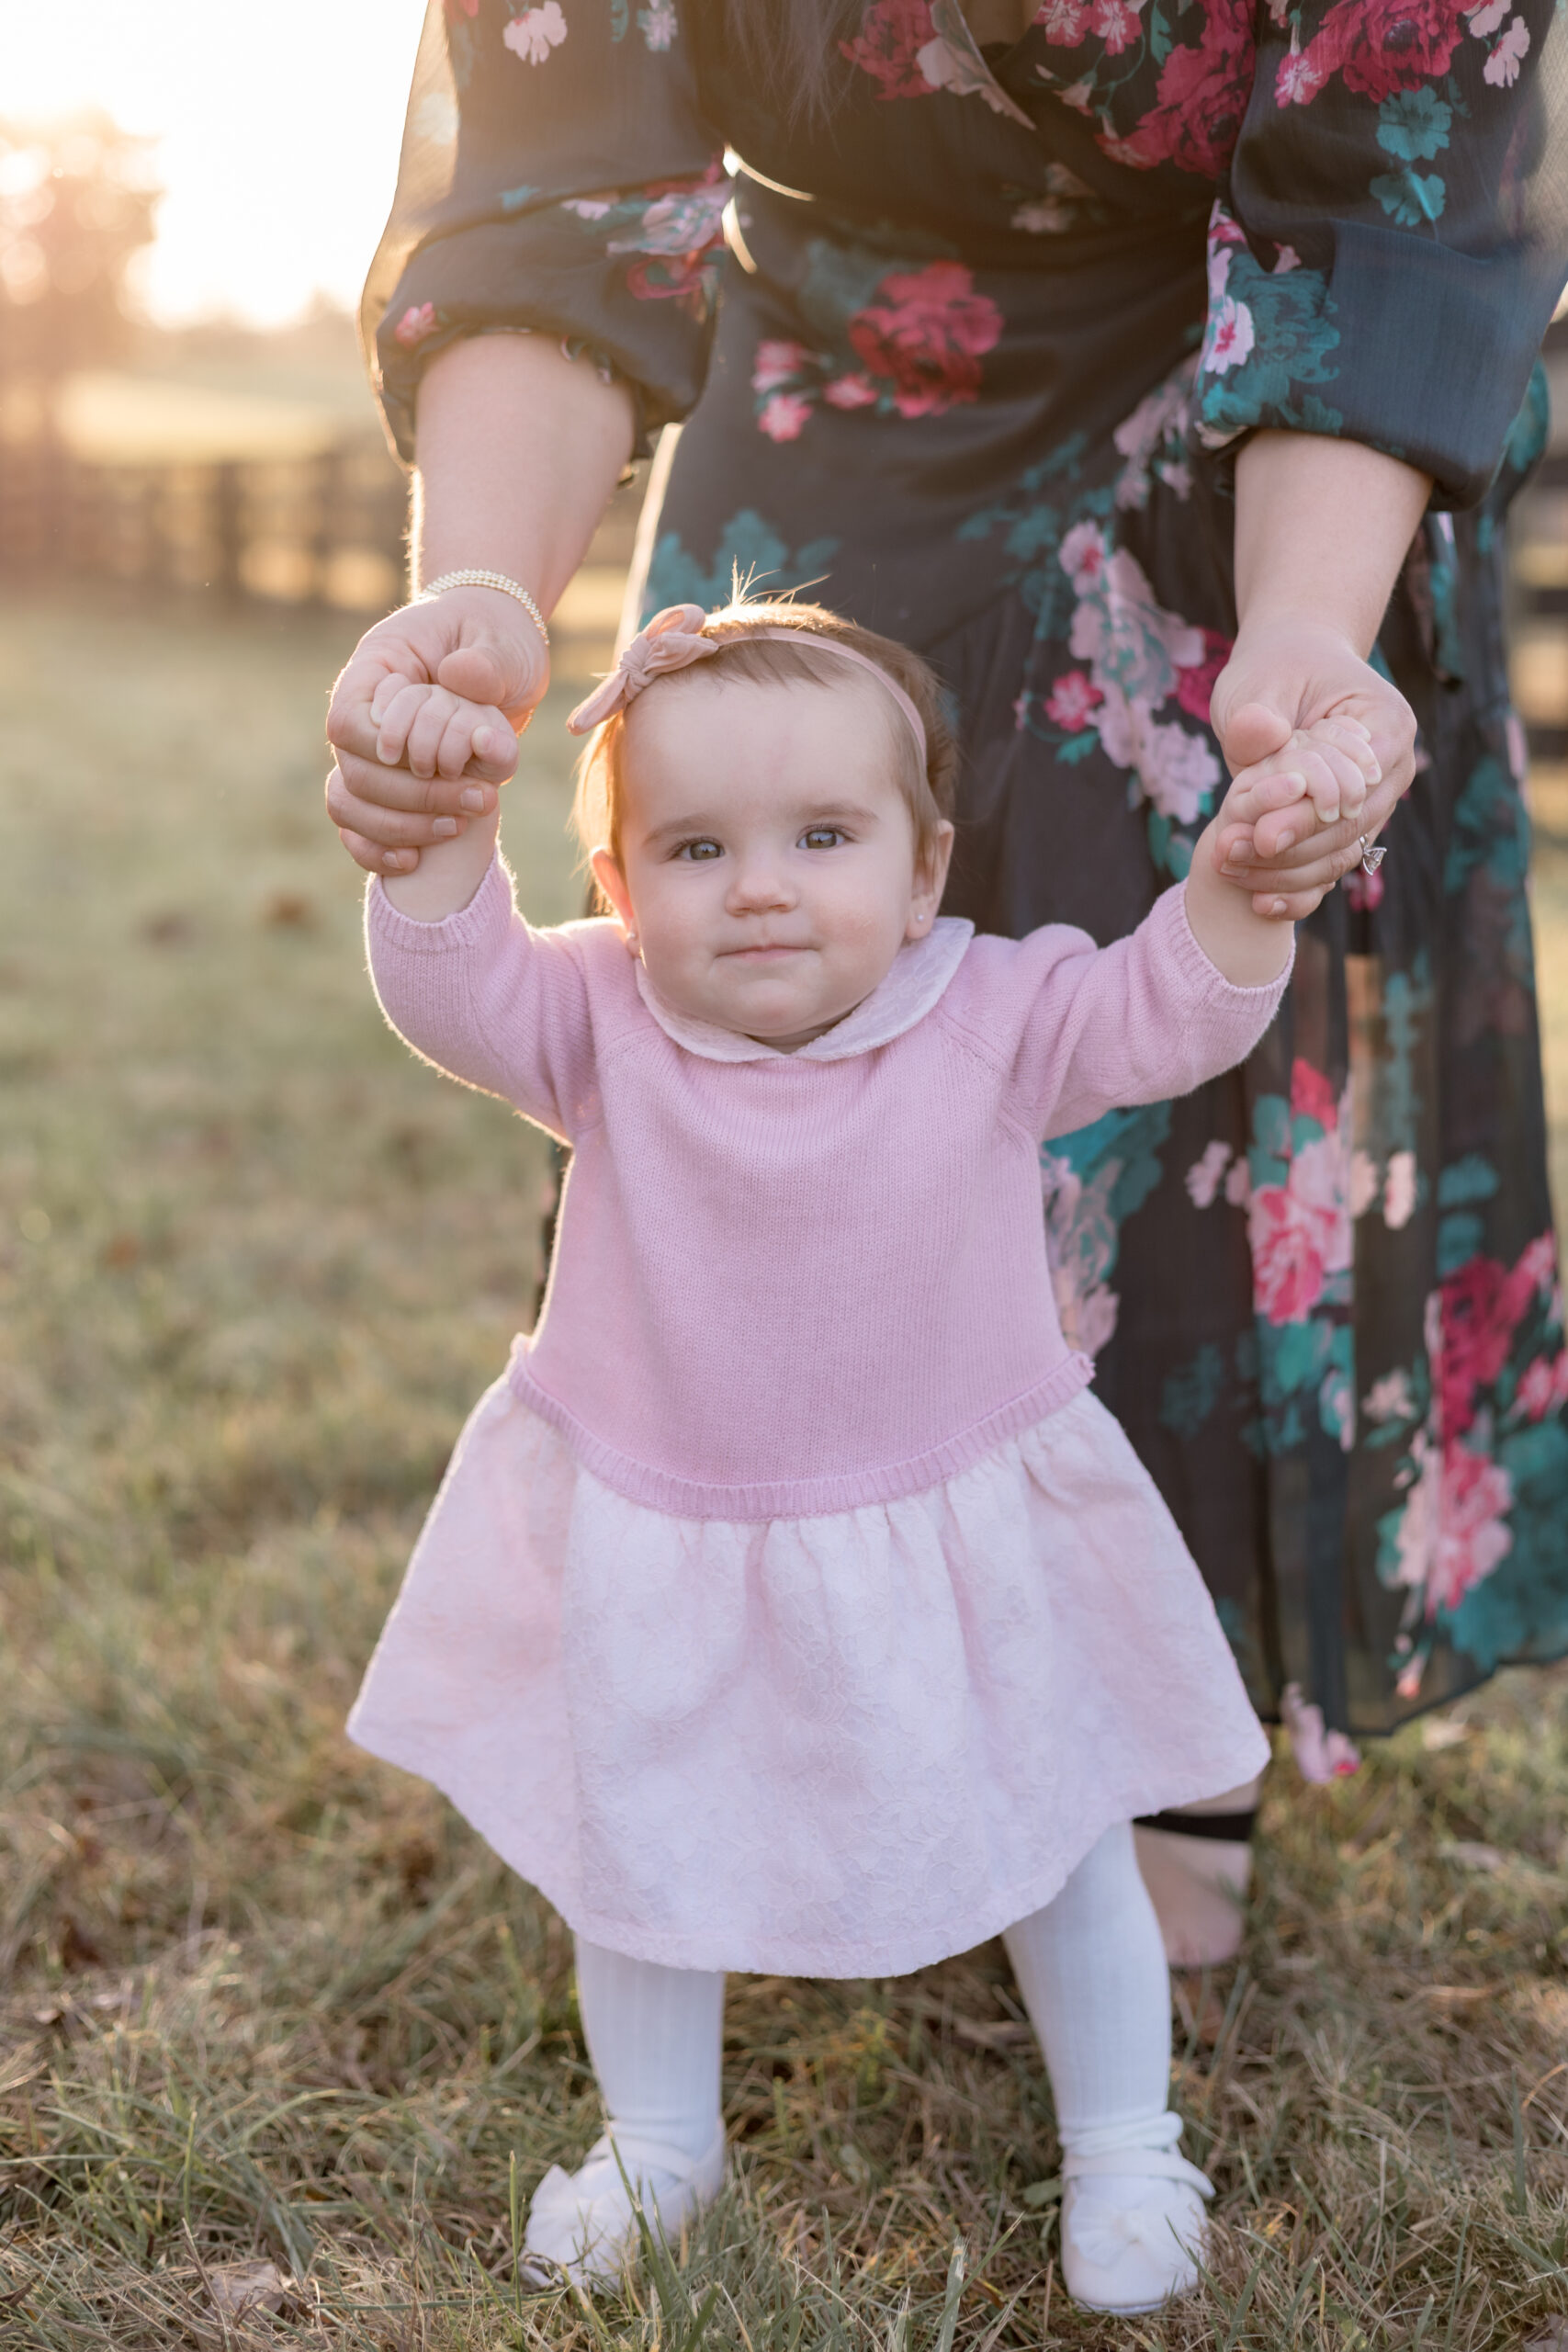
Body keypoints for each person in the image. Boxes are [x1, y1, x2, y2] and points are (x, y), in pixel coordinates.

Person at [325, 1, 1568, 1966]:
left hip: (1251, 426)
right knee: (742, 1056)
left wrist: (1303, 641)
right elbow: (561, 167)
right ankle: (752, 1691)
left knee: (1172, 1122)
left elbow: (1382, 194)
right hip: (823, 393)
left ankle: (1150, 1731)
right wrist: (484, 593)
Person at [345, 592, 1363, 2309]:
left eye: (822, 835)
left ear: (921, 871)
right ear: (617, 885)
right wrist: (438, 847)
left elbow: (1161, 1020)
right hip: (669, 1518)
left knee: (1055, 1827)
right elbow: (454, 994)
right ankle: (661, 2144)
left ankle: (1125, 2142)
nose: (758, 883)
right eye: (693, 845)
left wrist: (1239, 894)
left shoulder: (985, 1013)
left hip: (953, 1519)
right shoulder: (602, 1022)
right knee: (639, 1846)